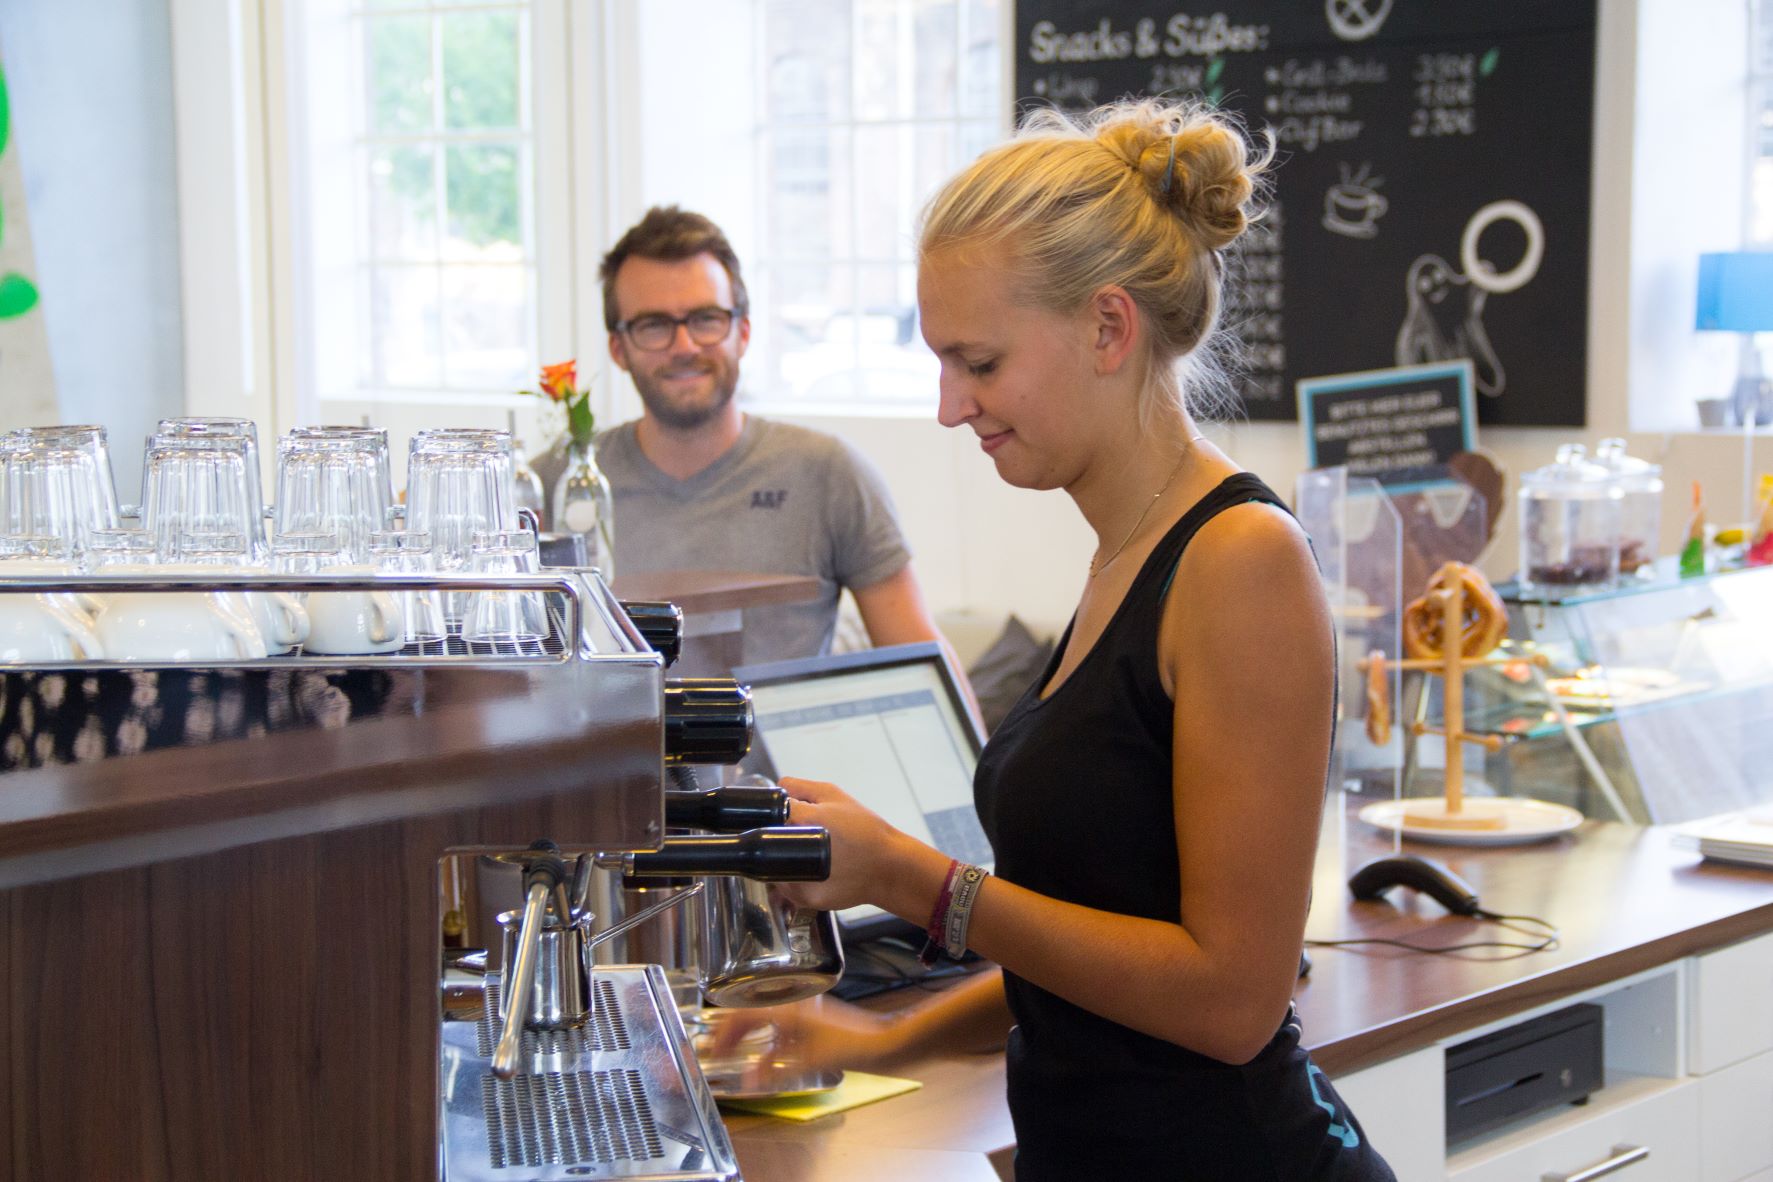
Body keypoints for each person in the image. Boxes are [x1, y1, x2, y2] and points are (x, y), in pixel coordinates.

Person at [715, 100, 1396, 1179]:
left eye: (978, 363)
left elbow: (1229, 999)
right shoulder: (1126, 554)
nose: (950, 406)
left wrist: (914, 879)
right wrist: (890, 1035)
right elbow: (1107, 941)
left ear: (1108, 328)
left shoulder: (1240, 562)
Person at [537, 205, 948, 669]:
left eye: (706, 319)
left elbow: (921, 661)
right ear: (618, 348)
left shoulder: (828, 473)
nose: (685, 346)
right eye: (654, 326)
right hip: (614, 746)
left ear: (744, 331)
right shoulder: (556, 484)